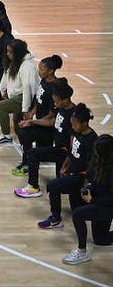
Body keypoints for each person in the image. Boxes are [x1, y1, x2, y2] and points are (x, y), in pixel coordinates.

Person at [37, 103, 98, 230]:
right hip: (72, 172)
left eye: (75, 124)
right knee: (74, 208)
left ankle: (56, 219)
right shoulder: (77, 132)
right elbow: (71, 151)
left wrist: (85, 185)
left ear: (84, 123)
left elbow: (91, 165)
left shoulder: (92, 140)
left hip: (80, 176)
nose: (73, 127)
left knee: (52, 186)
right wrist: (65, 166)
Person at [15, 78, 75, 198]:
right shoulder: (62, 108)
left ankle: (33, 187)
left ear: (65, 100)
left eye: (56, 101)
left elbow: (73, 141)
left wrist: (68, 162)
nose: (54, 104)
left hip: (63, 150)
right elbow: (52, 121)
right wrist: (32, 122)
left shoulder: (73, 116)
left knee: (33, 154)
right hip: (57, 145)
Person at [63, 134, 113, 265]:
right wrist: (88, 187)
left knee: (78, 214)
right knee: (101, 239)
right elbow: (92, 179)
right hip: (99, 199)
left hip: (107, 205)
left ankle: (82, 251)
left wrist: (92, 200)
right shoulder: (98, 162)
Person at [11, 55, 63, 174]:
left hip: (48, 127)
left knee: (25, 133)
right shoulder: (44, 81)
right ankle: (28, 160)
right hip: (39, 121)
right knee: (23, 131)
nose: (39, 71)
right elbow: (39, 101)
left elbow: (51, 116)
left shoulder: (54, 89)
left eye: (42, 69)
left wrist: (32, 122)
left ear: (50, 71)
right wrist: (32, 113)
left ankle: (27, 164)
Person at [0, 39, 39, 146]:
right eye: (7, 51)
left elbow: (28, 88)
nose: (8, 54)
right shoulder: (15, 61)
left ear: (18, 52)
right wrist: (3, 89)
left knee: (1, 106)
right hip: (17, 95)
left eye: (10, 52)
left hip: (25, 97)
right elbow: (6, 74)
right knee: (19, 128)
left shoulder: (28, 66)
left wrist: (26, 108)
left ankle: (6, 136)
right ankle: (27, 144)